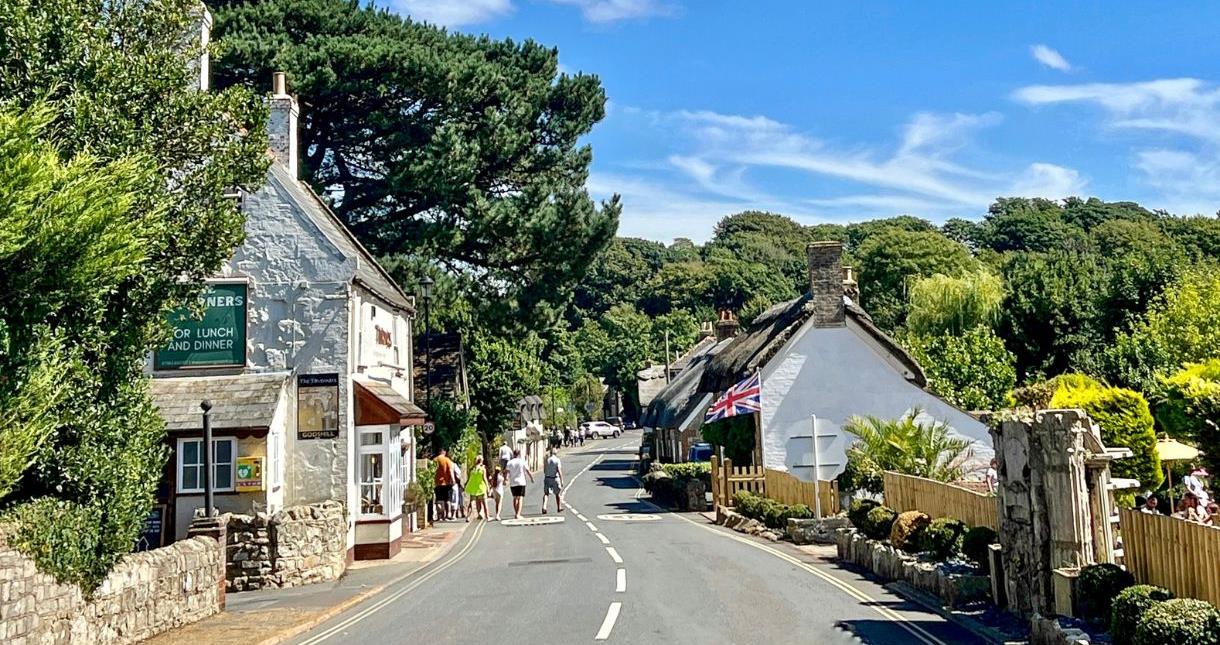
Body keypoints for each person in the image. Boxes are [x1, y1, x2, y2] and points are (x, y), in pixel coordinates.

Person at [505, 448, 534, 520]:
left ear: (513, 454)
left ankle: (516, 513)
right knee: (520, 498)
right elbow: (527, 471)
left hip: (513, 482)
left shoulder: (509, 463)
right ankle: (518, 514)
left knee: (515, 498)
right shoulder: (522, 462)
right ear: (519, 454)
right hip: (521, 482)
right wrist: (531, 478)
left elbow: (507, 473)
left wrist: (506, 479)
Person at [433, 448, 455, 521]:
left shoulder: (435, 460)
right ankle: (447, 515)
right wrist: (453, 480)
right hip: (446, 483)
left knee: (439, 500)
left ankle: (440, 516)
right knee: (447, 500)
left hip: (437, 483)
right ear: (444, 452)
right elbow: (450, 471)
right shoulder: (447, 460)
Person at [465, 456, 488, 521]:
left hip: (472, 487)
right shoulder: (482, 469)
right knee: (484, 502)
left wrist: (466, 484)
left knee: (472, 502)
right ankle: (487, 516)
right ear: (481, 461)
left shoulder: (472, 469)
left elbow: (469, 478)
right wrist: (488, 487)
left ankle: (468, 517)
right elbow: (484, 478)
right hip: (481, 487)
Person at [541, 448, 564, 514]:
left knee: (546, 493)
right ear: (555, 453)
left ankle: (544, 507)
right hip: (555, 478)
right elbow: (559, 470)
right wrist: (561, 479)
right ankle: (559, 507)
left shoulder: (547, 460)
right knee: (557, 493)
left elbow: (544, 470)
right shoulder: (557, 460)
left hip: (547, 478)